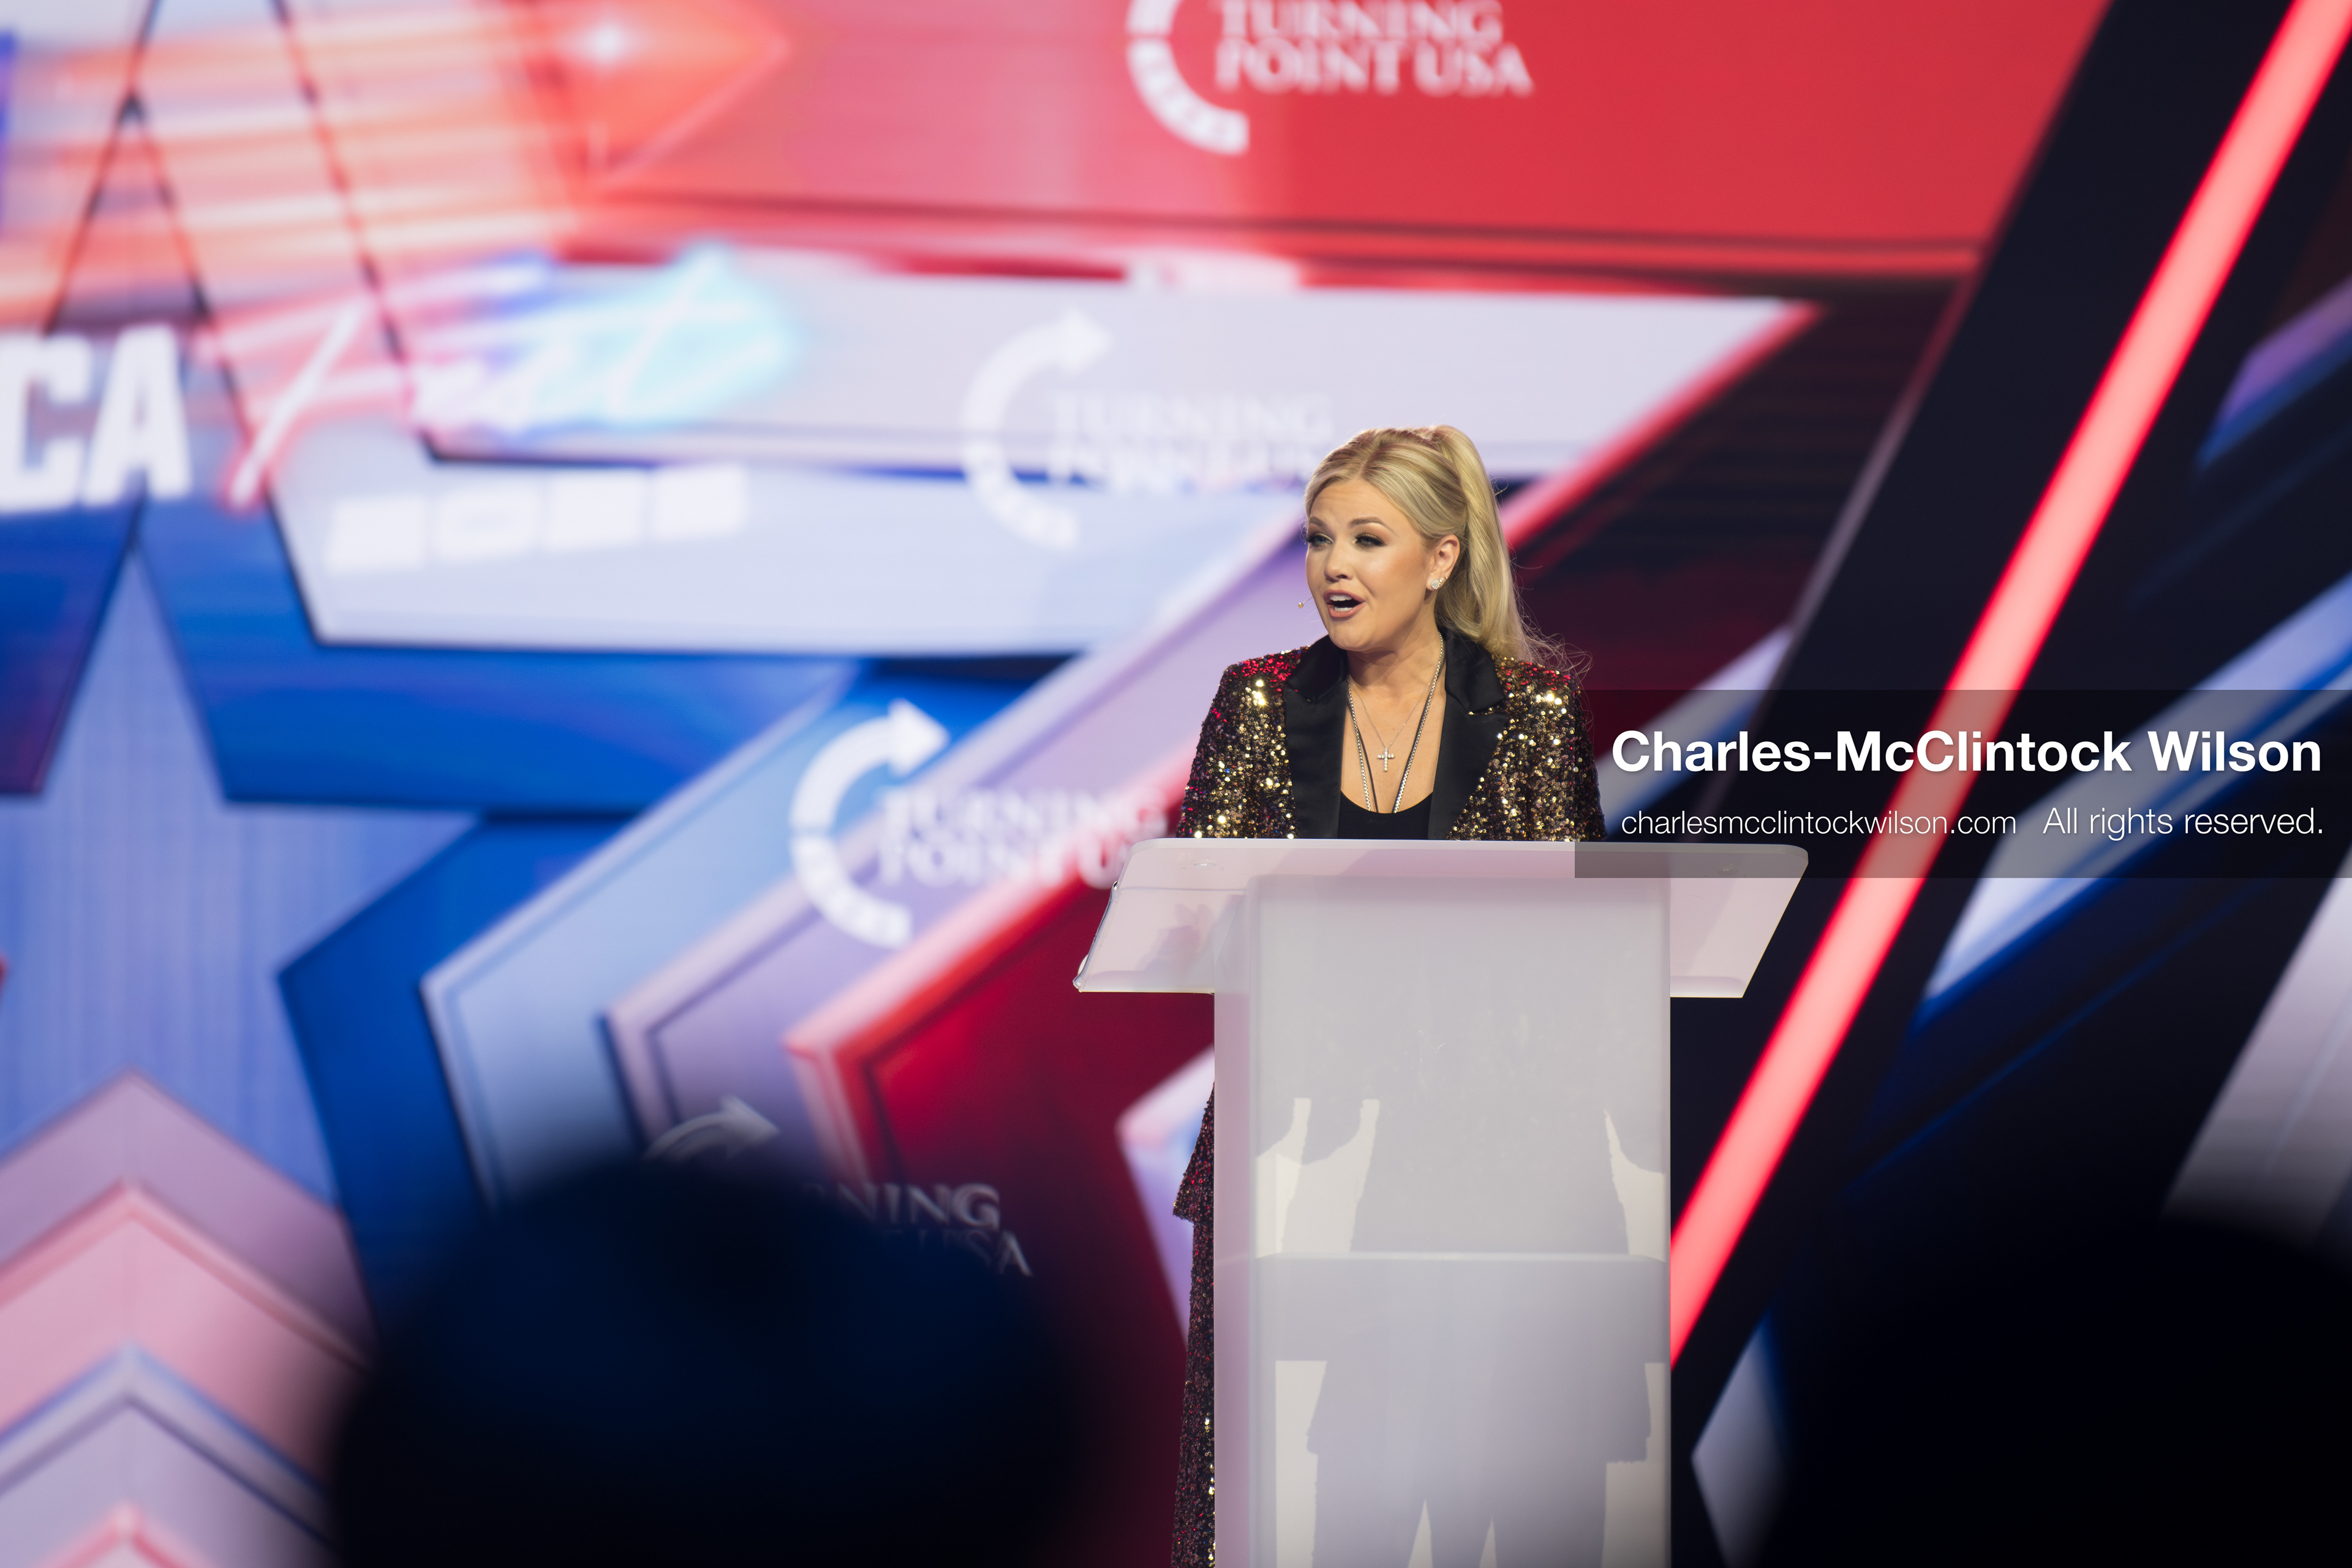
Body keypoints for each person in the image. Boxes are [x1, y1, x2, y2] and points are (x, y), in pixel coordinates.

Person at [1168, 426, 1607, 1567]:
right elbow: (1197, 909)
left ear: (1444, 557)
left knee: (1466, 1501)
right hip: (1291, 1149)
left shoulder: (1532, 712)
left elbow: (1579, 943)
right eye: (1319, 540)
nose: (1335, 567)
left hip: (1479, 1162)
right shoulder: (1257, 703)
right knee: (1283, 1501)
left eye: (1368, 538)